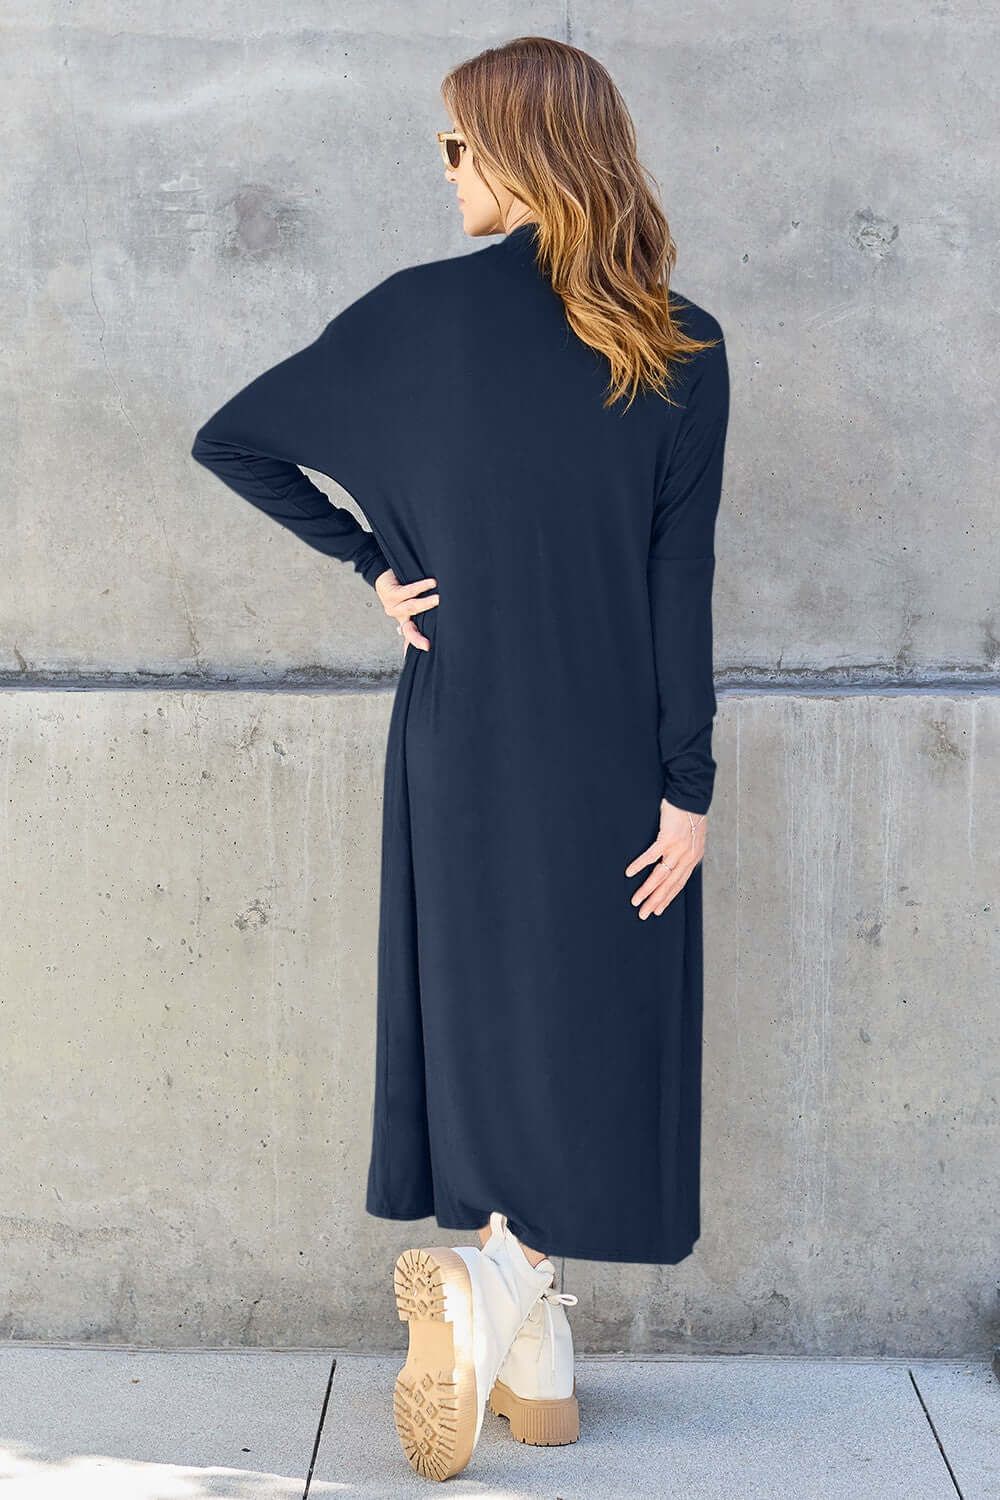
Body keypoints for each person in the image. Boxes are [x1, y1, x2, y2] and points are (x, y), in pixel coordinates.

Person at [191, 33, 730, 1484]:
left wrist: (374, 564)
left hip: (460, 727)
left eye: (452, 146)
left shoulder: (413, 321)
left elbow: (234, 440)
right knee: (596, 1029)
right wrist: (691, 789)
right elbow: (684, 587)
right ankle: (518, 1319)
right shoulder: (678, 345)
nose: (445, 171)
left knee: (488, 1019)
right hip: (617, 748)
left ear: (515, 153)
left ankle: (517, 1328)